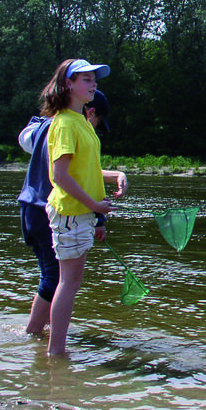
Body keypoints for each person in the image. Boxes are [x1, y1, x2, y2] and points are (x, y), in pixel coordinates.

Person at [19, 88, 128, 338]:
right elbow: (66, 177)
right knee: (56, 278)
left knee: (54, 276)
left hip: (31, 208)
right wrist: (98, 213)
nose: (96, 127)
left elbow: (80, 174)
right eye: (98, 121)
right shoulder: (67, 127)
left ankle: (40, 335)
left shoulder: (50, 126)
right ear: (90, 112)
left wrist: (117, 176)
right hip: (45, 211)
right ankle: (33, 335)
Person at [37, 59, 118, 356]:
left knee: (70, 282)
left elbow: (86, 170)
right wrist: (94, 204)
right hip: (70, 212)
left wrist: (99, 208)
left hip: (81, 213)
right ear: (68, 84)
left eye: (94, 79)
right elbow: (60, 176)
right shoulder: (64, 123)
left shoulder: (80, 121)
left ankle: (54, 348)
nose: (93, 83)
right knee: (68, 283)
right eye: (86, 79)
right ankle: (56, 352)